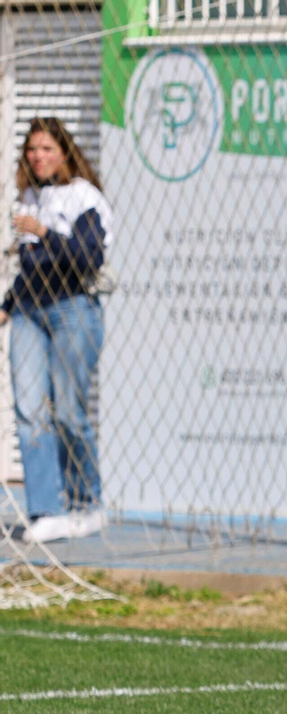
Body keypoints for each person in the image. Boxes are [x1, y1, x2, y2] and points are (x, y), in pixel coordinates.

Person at [3, 117, 112, 544]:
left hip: (72, 308)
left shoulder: (83, 197)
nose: (38, 157)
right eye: (32, 150)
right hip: (30, 311)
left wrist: (45, 232)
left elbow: (88, 258)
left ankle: (87, 503)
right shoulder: (30, 196)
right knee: (30, 410)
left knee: (68, 410)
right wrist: (7, 307)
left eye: (47, 149)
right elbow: (32, 270)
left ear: (64, 152)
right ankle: (46, 509)